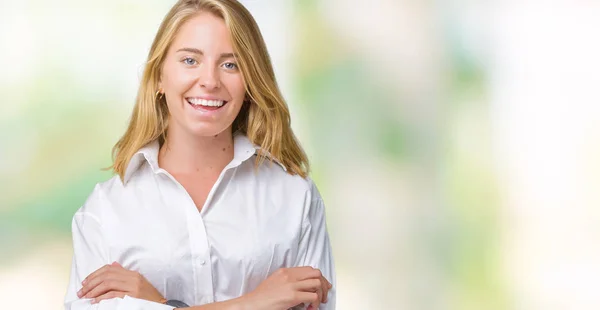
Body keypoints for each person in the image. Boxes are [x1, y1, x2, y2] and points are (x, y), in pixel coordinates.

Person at [63, 0, 336, 309]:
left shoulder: (295, 198)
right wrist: (256, 302)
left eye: (230, 64)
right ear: (159, 78)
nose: (209, 81)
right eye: (190, 60)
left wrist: (159, 304)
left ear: (250, 82)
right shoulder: (106, 211)